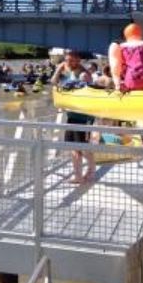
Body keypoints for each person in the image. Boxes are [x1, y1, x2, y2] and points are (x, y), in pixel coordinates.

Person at [51, 49, 96, 183]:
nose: (68, 63)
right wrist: (59, 68)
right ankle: (78, 175)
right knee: (73, 146)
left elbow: (88, 91)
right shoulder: (68, 73)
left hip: (82, 116)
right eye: (67, 60)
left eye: (71, 60)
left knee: (82, 146)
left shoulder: (83, 75)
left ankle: (91, 169)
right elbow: (53, 82)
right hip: (71, 115)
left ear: (78, 60)